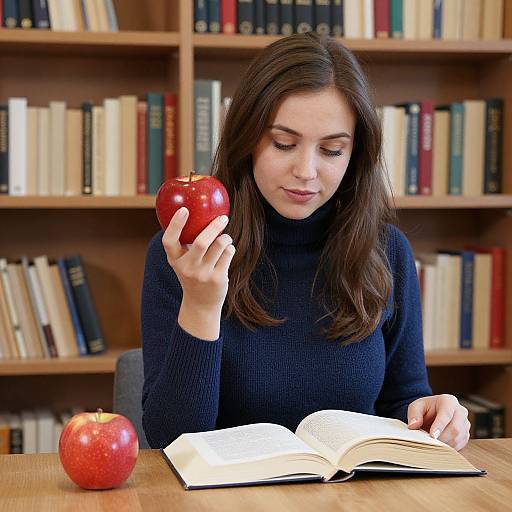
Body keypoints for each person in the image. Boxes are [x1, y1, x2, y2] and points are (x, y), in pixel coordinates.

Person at [141, 32, 470, 451]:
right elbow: (172, 440)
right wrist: (202, 307)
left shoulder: (387, 252)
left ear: (355, 157)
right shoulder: (187, 252)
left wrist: (434, 415)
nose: (306, 171)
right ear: (246, 140)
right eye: (284, 144)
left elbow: (402, 404)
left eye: (332, 150)